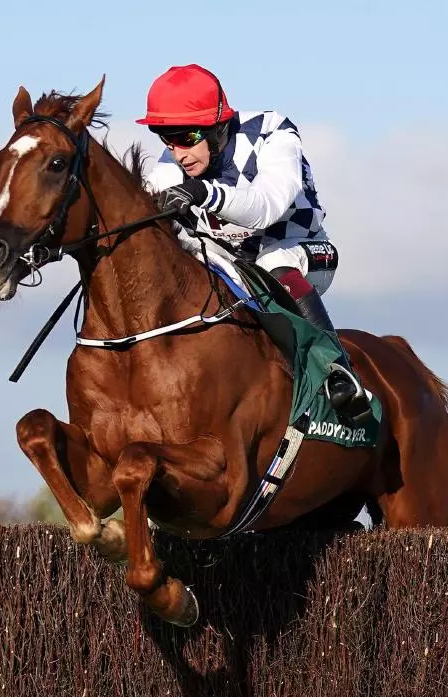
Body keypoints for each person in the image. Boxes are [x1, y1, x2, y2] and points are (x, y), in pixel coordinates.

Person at [137, 63, 372, 426]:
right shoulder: (176, 158)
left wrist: (203, 192)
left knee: (274, 263)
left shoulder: (272, 132)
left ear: (217, 126)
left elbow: (266, 208)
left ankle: (340, 372)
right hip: (232, 263)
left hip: (302, 251)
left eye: (187, 138)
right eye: (166, 138)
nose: (178, 152)